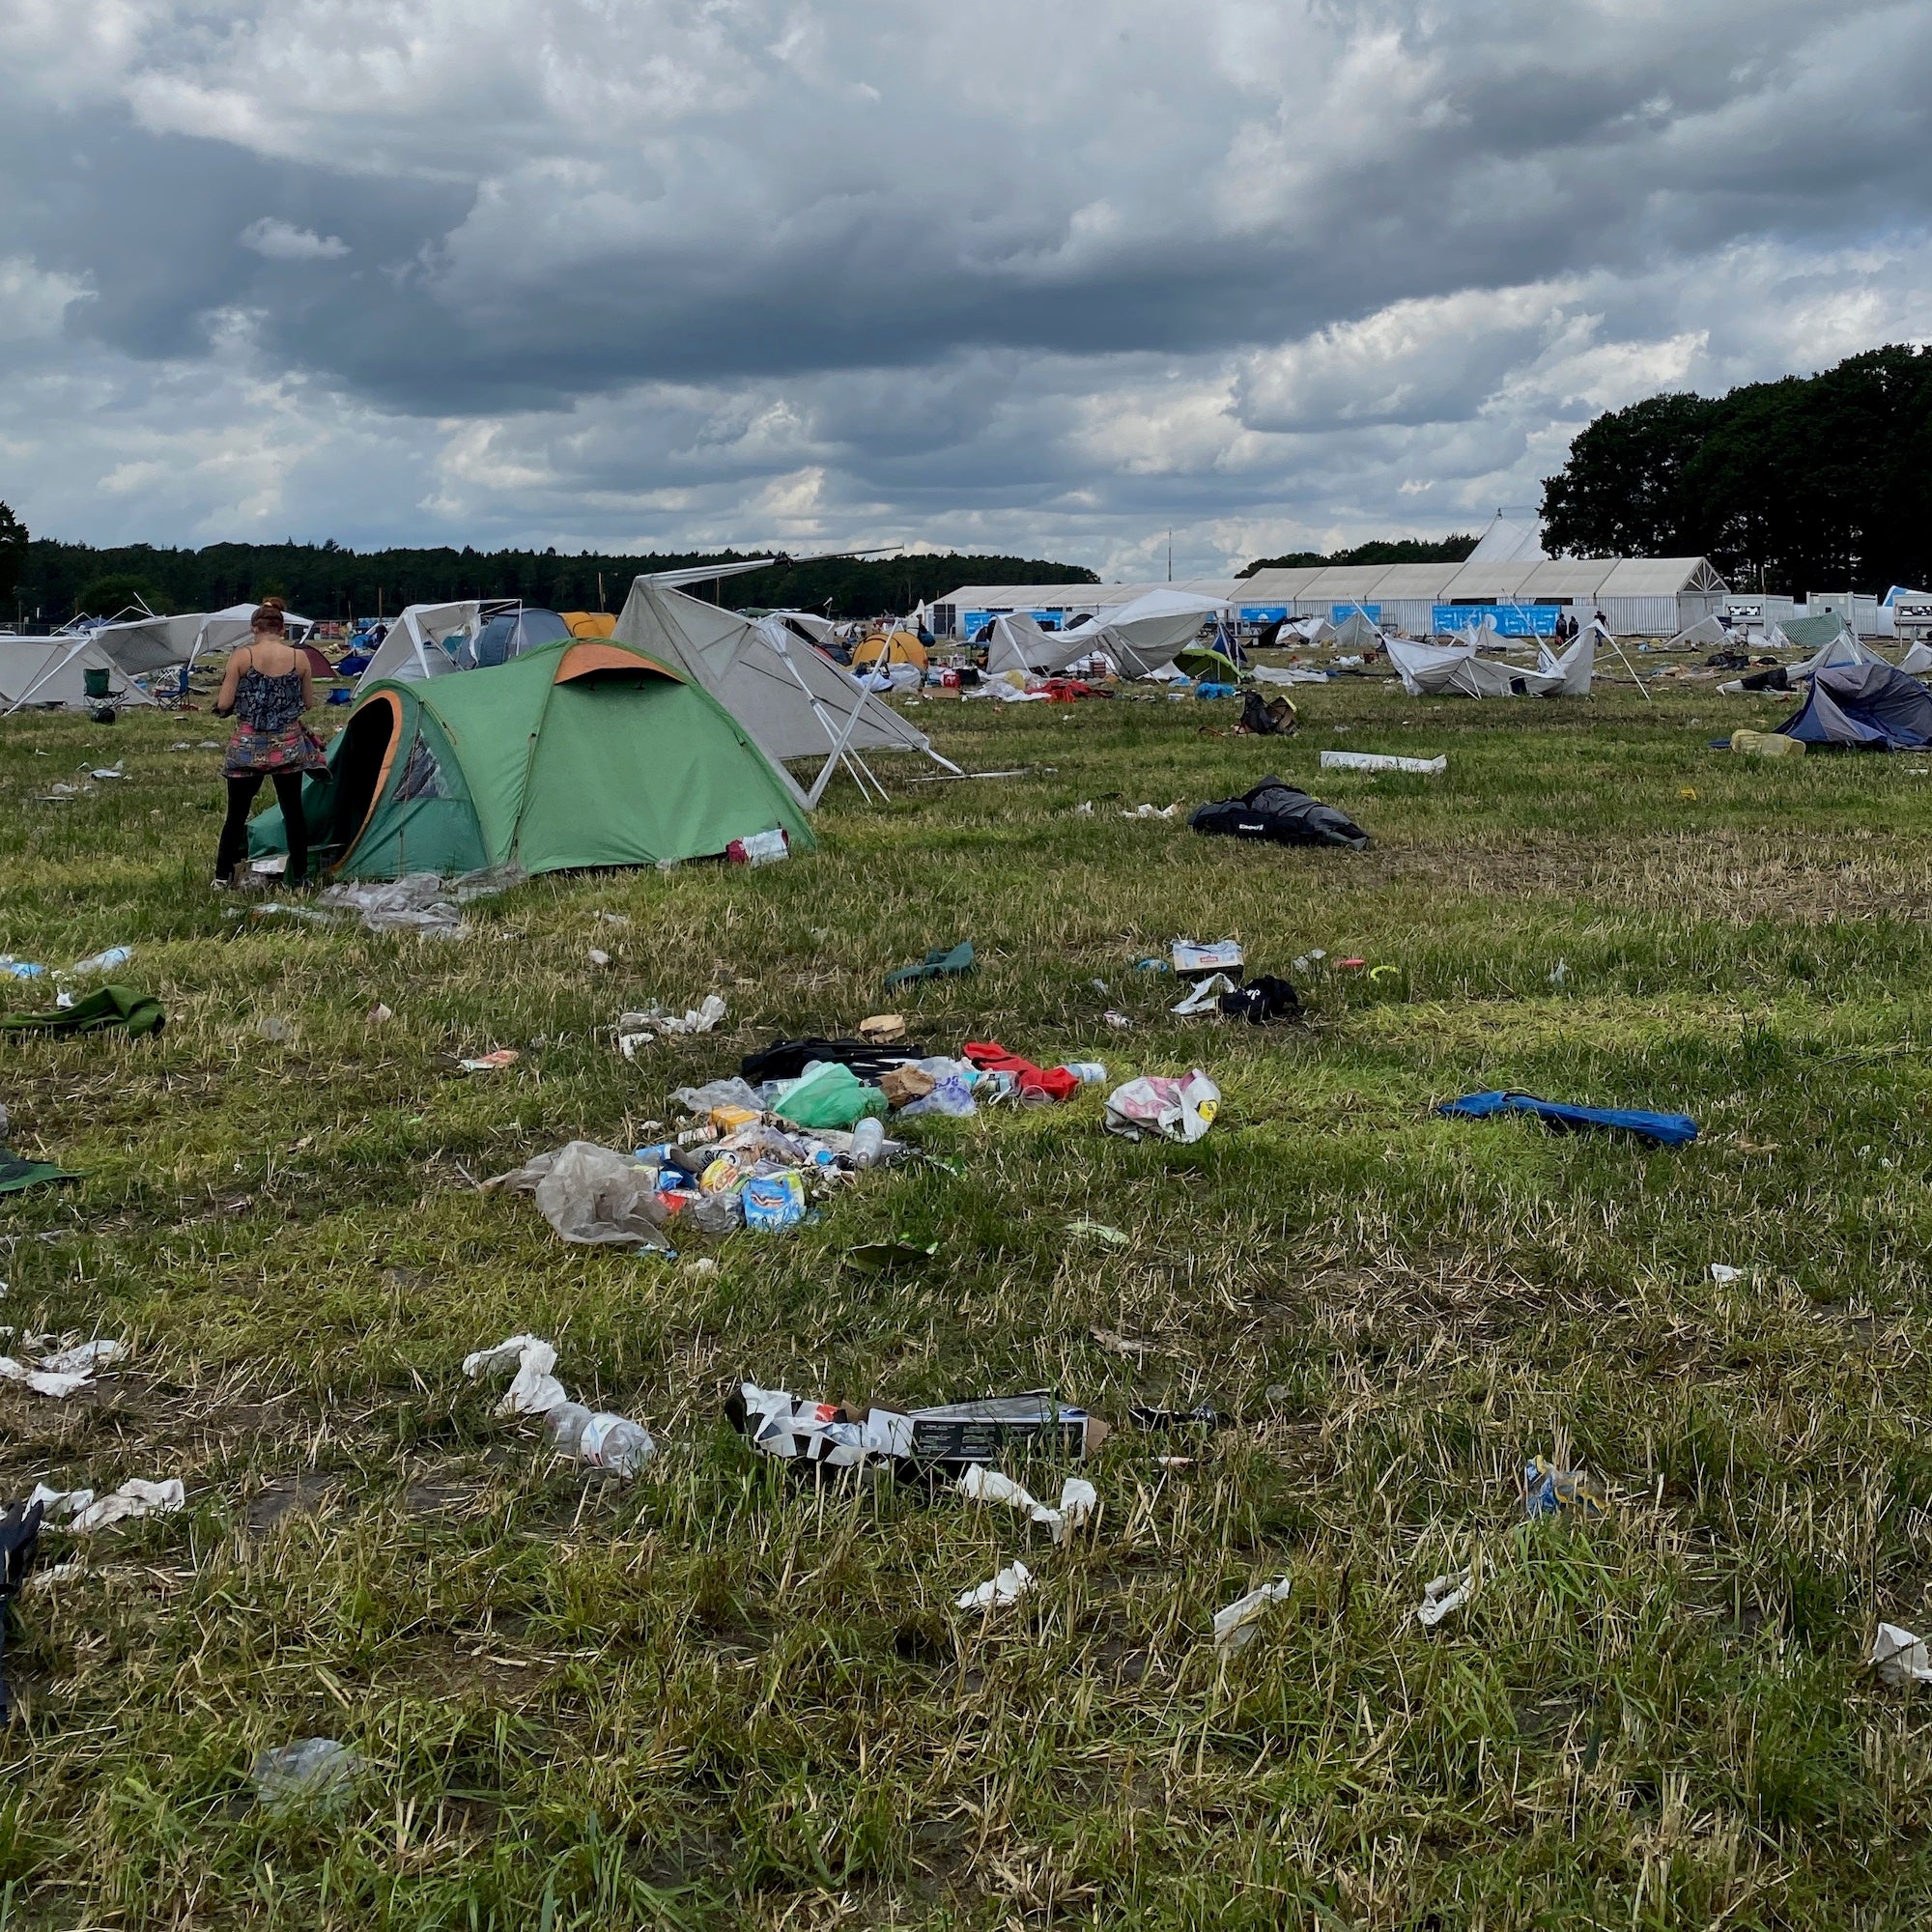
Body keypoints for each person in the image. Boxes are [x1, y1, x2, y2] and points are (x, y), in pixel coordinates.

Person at [210, 604, 327, 888]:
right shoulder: (300, 658)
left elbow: (225, 703)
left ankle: (222, 876)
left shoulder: (242, 656)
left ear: (254, 628)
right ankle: (299, 877)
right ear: (282, 629)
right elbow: (308, 703)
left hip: (247, 747)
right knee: (293, 812)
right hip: (286, 746)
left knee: (236, 815)